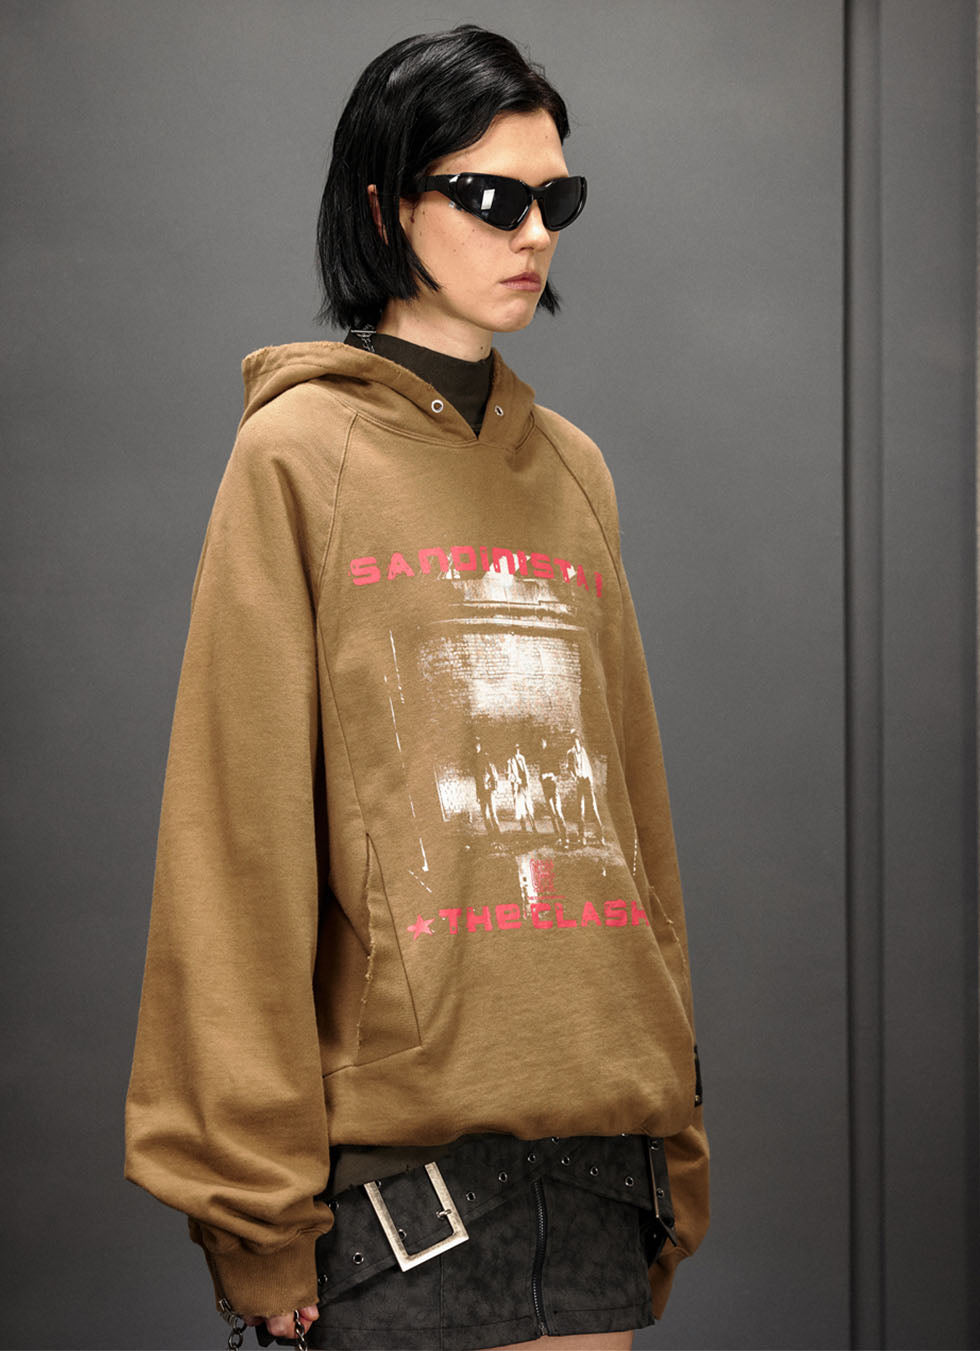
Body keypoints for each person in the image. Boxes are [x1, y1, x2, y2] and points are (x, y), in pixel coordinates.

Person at [125, 23, 708, 1351]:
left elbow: (633, 823)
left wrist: (676, 1132)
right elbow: (237, 845)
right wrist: (255, 1213)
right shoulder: (297, 457)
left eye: (555, 200)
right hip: (402, 1187)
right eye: (492, 197)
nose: (533, 234)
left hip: (600, 1155)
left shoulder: (575, 473)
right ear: (387, 205)